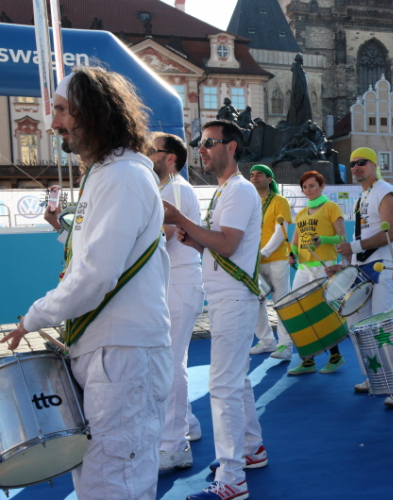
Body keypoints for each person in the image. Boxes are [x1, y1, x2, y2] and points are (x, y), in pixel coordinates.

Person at [1, 67, 172, 498]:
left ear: (92, 112)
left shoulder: (123, 177)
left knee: (115, 482)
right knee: (101, 479)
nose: (53, 122)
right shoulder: (108, 175)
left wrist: (34, 317)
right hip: (110, 353)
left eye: (62, 110)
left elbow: (95, 274)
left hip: (124, 355)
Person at [164, 120, 266, 500]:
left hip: (233, 299)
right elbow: (222, 247)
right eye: (200, 143)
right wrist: (195, 241)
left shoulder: (238, 190)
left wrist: (181, 220)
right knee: (235, 382)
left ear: (231, 146)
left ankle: (232, 478)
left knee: (223, 387)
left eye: (209, 142)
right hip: (227, 297)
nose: (202, 149)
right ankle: (251, 449)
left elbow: (227, 244)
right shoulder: (228, 190)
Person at [148, 133, 206, 471]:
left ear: (170, 158)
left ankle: (174, 445)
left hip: (179, 284)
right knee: (174, 360)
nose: (147, 155)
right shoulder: (171, 188)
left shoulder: (172, 190)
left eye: (152, 151)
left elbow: (161, 238)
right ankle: (188, 425)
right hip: (179, 283)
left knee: (169, 364)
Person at [333, 147, 393, 407]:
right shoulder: (363, 195)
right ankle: (374, 376)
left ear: (374, 165)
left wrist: (353, 248)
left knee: (384, 326)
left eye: (361, 162)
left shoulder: (385, 192)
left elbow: (392, 232)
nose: (355, 167)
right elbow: (361, 235)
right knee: (359, 327)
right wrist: (347, 265)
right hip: (362, 267)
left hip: (381, 267)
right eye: (352, 164)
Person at [287, 170, 347, 375]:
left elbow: (342, 238)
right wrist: (292, 254)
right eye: (304, 187)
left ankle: (335, 356)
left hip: (324, 266)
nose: (308, 190)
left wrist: (324, 239)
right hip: (303, 269)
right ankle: (308, 360)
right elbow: (295, 242)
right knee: (301, 312)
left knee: (324, 311)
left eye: (312, 186)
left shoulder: (331, 207)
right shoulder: (301, 213)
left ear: (322, 186)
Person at [249, 164, 295, 360]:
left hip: (276, 260)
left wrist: (264, 253)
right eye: (252, 175)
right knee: (256, 301)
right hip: (254, 261)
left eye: (259, 174)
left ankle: (285, 345)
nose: (254, 177)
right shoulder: (250, 202)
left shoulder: (280, 201)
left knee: (281, 302)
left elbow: (281, 231)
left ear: (270, 179)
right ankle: (266, 340)